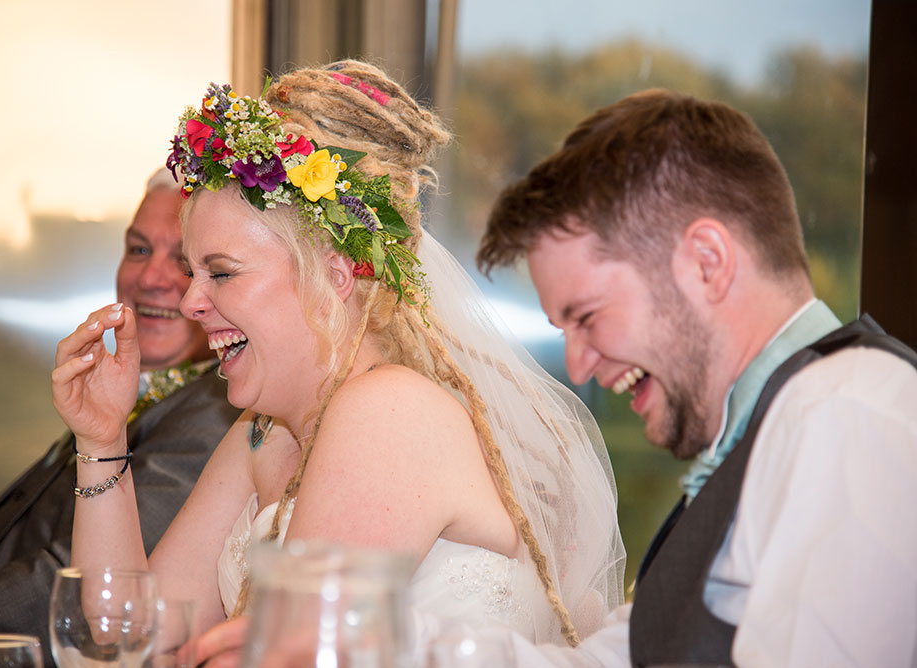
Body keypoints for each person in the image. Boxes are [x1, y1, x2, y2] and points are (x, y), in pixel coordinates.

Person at [51, 60, 626, 664]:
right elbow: (124, 643)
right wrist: (101, 439)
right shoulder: (262, 436)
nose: (193, 302)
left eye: (221, 273)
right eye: (193, 274)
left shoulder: (387, 412)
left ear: (333, 274)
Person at [445, 88, 917, 666]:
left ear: (706, 263)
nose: (578, 366)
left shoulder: (847, 415)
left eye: (587, 317)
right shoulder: (786, 424)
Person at [0, 169, 242, 663]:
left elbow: (70, 587)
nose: (152, 278)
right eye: (138, 250)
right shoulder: (125, 390)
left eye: (183, 262)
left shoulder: (220, 417)